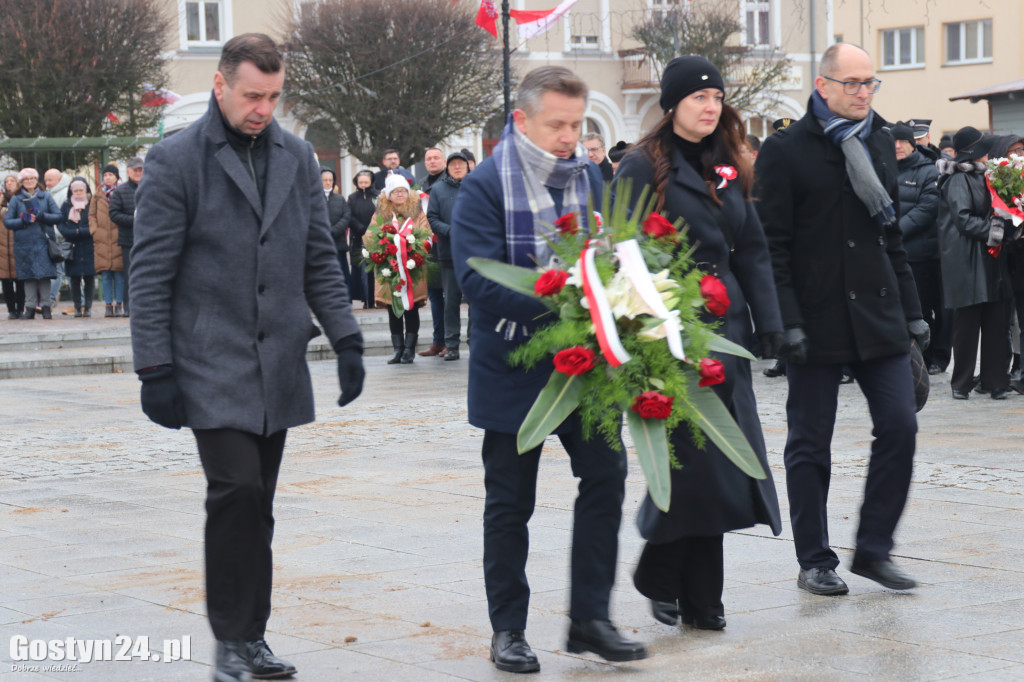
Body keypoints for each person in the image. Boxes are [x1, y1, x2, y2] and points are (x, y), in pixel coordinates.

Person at [129, 33, 365, 682]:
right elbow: (150, 273)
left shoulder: (294, 156)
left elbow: (320, 255)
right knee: (234, 490)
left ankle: (252, 638)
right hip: (207, 357)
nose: (263, 107)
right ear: (221, 85)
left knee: (258, 503)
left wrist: (345, 337)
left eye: (273, 96)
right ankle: (230, 640)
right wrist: (154, 367)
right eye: (252, 95)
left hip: (278, 361)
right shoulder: (177, 159)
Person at [451, 65, 648, 674]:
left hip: (584, 369)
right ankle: (508, 628)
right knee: (510, 505)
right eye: (556, 125)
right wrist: (567, 302)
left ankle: (590, 618)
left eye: (576, 124)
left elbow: (609, 248)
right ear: (521, 121)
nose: (569, 137)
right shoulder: (485, 185)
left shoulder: (590, 176)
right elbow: (477, 277)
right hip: (514, 368)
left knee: (607, 479)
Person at [614, 55, 783, 632]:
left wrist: (771, 323)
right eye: (698, 98)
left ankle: (689, 592)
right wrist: (643, 329)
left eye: (717, 98)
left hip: (726, 332)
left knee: (722, 461)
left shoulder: (728, 163)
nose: (711, 108)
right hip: (669, 331)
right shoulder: (640, 166)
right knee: (693, 464)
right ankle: (673, 583)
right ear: (672, 104)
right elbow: (623, 251)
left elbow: (752, 249)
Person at [755, 43, 927, 596]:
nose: (862, 92)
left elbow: (890, 234)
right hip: (816, 317)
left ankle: (874, 549)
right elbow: (771, 246)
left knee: (901, 425)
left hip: (878, 314)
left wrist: (913, 312)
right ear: (822, 85)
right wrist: (783, 321)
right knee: (810, 442)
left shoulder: (877, 140)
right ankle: (815, 559)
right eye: (852, 83)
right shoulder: (785, 150)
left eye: (869, 83)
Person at [936, 126, 1008, 400]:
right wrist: (996, 229)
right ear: (976, 152)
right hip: (966, 258)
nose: (989, 153)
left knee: (995, 318)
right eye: (985, 149)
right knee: (967, 321)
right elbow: (963, 219)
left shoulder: (986, 176)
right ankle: (961, 383)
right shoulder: (957, 179)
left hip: (988, 255)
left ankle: (995, 381)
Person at [893, 122, 947, 374]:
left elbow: (927, 208)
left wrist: (894, 231)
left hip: (922, 253)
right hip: (894, 252)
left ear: (912, 144)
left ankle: (935, 355)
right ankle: (915, 356)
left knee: (926, 308)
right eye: (893, 142)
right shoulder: (884, 170)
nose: (897, 147)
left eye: (902, 142)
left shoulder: (928, 171)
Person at [364, 174, 429, 363]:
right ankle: (397, 348)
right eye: (395, 191)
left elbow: (426, 234)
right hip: (389, 268)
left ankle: (409, 349)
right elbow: (369, 236)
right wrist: (382, 250)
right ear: (388, 195)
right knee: (393, 309)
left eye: (403, 191)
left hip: (412, 268)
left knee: (411, 307)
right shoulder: (380, 214)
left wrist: (414, 251)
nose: (399, 194)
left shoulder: (417, 213)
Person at [426, 150, 470, 360]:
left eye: (461, 164)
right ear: (448, 167)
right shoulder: (438, 189)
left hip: (473, 253)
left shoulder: (475, 186)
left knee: (475, 300)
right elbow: (432, 217)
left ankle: (475, 340)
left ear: (467, 166)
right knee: (450, 301)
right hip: (448, 253)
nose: (457, 167)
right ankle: (452, 344)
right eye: (453, 165)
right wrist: (449, 230)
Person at [4, 168, 62, 319]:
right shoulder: (16, 199)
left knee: (45, 276)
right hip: (24, 244)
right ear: (21, 182)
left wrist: (42, 215)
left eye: (32, 178)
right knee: (27, 276)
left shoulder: (46, 197)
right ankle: (29, 308)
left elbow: (57, 216)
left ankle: (46, 306)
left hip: (43, 242)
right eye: (26, 179)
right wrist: (23, 220)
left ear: (37, 180)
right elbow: (8, 221)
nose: (29, 181)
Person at [417, 147, 448, 357]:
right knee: (435, 296)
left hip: (447, 243)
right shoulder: (421, 185)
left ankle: (450, 341)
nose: (433, 161)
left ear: (443, 161)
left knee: (449, 296)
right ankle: (438, 341)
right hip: (429, 247)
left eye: (436, 157)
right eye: (429, 158)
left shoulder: (450, 182)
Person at [58, 177, 96, 317]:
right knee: (74, 279)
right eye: (76, 190)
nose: (79, 192)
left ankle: (88, 307)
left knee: (89, 277)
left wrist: (83, 231)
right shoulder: (66, 205)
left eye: (81, 190)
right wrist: (72, 232)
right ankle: (77, 307)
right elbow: (60, 223)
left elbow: (95, 223)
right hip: (72, 245)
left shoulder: (92, 204)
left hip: (89, 245)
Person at [90, 165, 125, 317]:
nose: (108, 177)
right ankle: (108, 304)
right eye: (106, 175)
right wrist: (94, 230)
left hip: (119, 237)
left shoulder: (123, 192)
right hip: (102, 239)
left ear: (117, 176)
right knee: (105, 274)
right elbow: (91, 215)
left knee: (119, 273)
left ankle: (119, 304)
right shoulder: (97, 195)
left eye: (111, 174)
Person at [110, 157, 143, 317]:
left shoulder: (153, 188)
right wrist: (134, 219)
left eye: (140, 170)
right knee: (129, 275)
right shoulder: (120, 191)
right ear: (128, 171)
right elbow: (114, 214)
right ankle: (129, 307)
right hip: (129, 240)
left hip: (150, 240)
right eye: (135, 170)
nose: (138, 173)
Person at [347, 169, 377, 308]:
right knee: (362, 270)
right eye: (361, 182)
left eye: (366, 182)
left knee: (375, 268)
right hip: (358, 237)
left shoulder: (377, 196)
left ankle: (375, 297)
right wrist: (360, 228)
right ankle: (365, 298)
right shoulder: (352, 198)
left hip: (375, 236)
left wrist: (372, 229)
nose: (363, 184)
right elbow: (349, 215)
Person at [322, 168, 353, 300]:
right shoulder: (312, 198)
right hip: (321, 243)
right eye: (325, 180)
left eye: (330, 180)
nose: (328, 182)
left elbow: (346, 216)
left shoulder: (340, 199)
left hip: (338, 242)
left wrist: (334, 231)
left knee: (341, 273)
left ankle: (344, 299)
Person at [1, 174, 25, 319]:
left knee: (20, 279)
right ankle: (11, 309)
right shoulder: (1, 199)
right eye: (6, 181)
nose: (9, 183)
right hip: (2, 245)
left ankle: (20, 308)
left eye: (12, 181)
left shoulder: (22, 198)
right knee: (5, 279)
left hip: (18, 242)